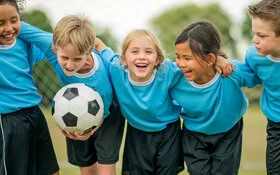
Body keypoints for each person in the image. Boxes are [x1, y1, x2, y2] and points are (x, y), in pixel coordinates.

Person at [94, 28, 233, 174]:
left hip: (168, 133)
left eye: (148, 52)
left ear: (158, 59)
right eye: (134, 52)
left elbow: (195, 63)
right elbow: (98, 44)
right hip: (137, 133)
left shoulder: (166, 71)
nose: (141, 57)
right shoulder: (116, 68)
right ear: (123, 59)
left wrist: (218, 58)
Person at [19, 15, 125, 175]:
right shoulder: (51, 45)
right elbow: (20, 27)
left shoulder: (100, 80)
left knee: (105, 165)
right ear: (55, 49)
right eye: (64, 58)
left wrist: (88, 131)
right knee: (86, 165)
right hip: (73, 105)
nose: (69, 64)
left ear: (88, 52)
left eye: (77, 59)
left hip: (107, 112)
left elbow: (103, 113)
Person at [170, 20, 261, 175]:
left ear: (210, 59)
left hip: (228, 131)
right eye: (178, 56)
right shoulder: (174, 76)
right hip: (194, 134)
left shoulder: (231, 71)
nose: (181, 63)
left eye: (187, 58)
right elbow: (152, 69)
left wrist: (218, 58)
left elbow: (260, 74)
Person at [0, 0, 60, 175]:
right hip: (8, 121)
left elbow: (52, 45)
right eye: (0, 23)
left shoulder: (24, 43)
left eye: (14, 20)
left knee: (50, 171)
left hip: (35, 113)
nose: (9, 28)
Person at [246, 0, 280, 174]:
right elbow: (245, 75)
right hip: (276, 125)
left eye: (261, 35)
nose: (255, 40)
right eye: (254, 34)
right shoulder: (253, 55)